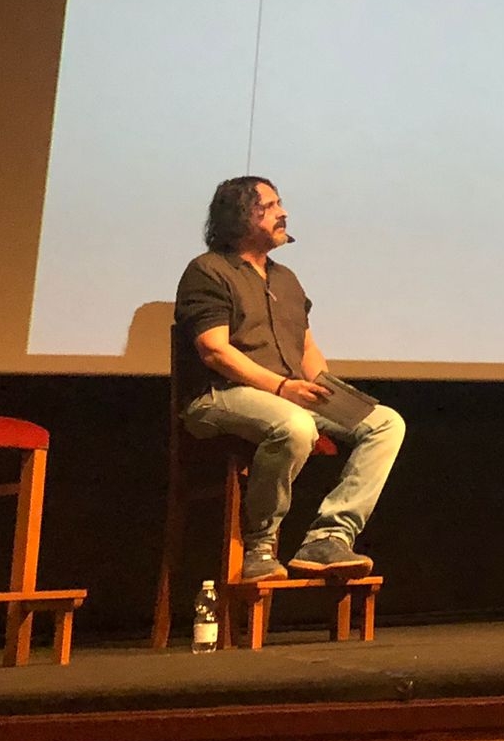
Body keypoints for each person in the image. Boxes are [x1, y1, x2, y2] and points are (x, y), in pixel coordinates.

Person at [173, 176, 404, 581]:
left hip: (287, 395)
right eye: (270, 205)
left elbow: (307, 349)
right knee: (294, 426)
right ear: (239, 214)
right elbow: (215, 351)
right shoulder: (208, 271)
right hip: (220, 395)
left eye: (280, 204)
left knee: (385, 423)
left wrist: (330, 392)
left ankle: (328, 537)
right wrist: (282, 388)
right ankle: (260, 548)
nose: (283, 213)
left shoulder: (286, 280)